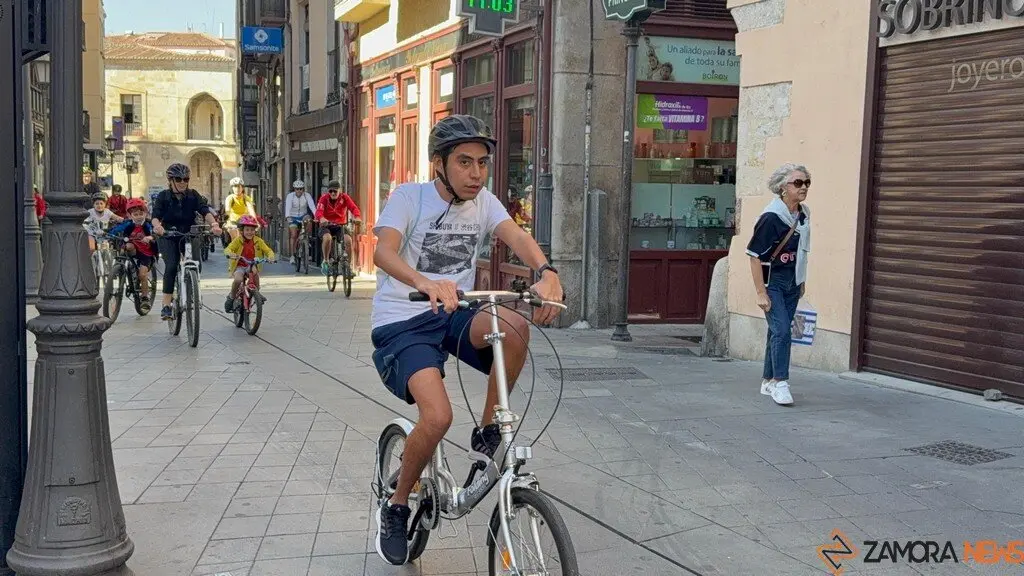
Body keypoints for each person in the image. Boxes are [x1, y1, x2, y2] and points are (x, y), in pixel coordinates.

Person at [369, 115, 564, 566]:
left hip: (453, 314)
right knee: (436, 417)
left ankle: (489, 429)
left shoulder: (485, 202)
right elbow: (383, 250)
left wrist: (547, 272)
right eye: (464, 162)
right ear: (438, 163)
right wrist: (425, 281)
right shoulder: (408, 198)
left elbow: (516, 236)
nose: (477, 173)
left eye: (482, 163)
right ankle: (397, 507)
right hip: (404, 321)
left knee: (513, 325)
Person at [746, 162, 811, 407]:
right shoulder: (771, 217)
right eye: (798, 183)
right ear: (783, 188)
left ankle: (767, 380)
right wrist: (761, 292)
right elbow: (753, 255)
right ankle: (781, 382)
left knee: (777, 331)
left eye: (806, 182)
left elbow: (804, 251)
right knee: (783, 330)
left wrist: (801, 280)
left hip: (792, 282)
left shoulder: (804, 214)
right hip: (772, 281)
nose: (803, 187)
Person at [151, 163, 222, 320]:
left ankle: (191, 288)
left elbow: (204, 210)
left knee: (195, 263)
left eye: (186, 179)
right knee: (171, 266)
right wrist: (157, 227)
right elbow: (155, 215)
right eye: (179, 179)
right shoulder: (163, 196)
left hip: (189, 234)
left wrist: (214, 224)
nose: (183, 182)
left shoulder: (193, 195)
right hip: (169, 235)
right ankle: (166, 305)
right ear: (171, 180)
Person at [107, 198, 156, 312]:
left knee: (142, 275)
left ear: (145, 213)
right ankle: (123, 267)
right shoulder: (128, 224)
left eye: (141, 213)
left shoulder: (148, 225)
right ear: (130, 215)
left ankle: (144, 298)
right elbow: (116, 230)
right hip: (134, 249)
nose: (138, 216)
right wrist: (107, 233)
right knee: (127, 246)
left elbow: (154, 233)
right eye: (135, 214)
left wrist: (150, 237)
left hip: (146, 254)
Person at [224, 215, 275, 312]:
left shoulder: (258, 241)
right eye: (247, 230)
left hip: (251, 265)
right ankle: (232, 296)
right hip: (239, 265)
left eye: (252, 230)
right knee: (238, 280)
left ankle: (256, 293)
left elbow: (268, 250)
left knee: (255, 274)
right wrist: (230, 254)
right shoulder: (238, 241)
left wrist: (270, 257)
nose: (250, 232)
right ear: (242, 230)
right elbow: (228, 249)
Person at [314, 180, 361, 276]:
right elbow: (319, 211)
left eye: (335, 191)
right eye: (330, 191)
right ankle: (326, 261)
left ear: (340, 190)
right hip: (326, 225)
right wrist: (322, 218)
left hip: (340, 225)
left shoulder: (345, 197)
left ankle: (349, 266)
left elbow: (353, 208)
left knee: (348, 240)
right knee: (327, 238)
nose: (333, 193)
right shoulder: (324, 198)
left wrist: (357, 217)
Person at [284, 180, 316, 265]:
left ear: (303, 189)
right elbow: (288, 207)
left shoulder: (307, 195)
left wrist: (317, 216)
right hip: (293, 216)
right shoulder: (290, 196)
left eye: (301, 189)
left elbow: (312, 206)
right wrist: (287, 217)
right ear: (294, 189)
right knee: (294, 235)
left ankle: (306, 239)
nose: (299, 191)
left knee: (309, 220)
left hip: (303, 215)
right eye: (297, 189)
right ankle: (292, 256)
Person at [224, 177, 257, 242]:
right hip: (232, 221)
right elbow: (227, 210)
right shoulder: (230, 198)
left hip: (244, 221)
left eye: (239, 187)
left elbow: (251, 210)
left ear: (242, 188)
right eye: (235, 187)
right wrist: (226, 219)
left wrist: (255, 221)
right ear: (232, 188)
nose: (237, 189)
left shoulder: (246, 198)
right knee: (235, 239)